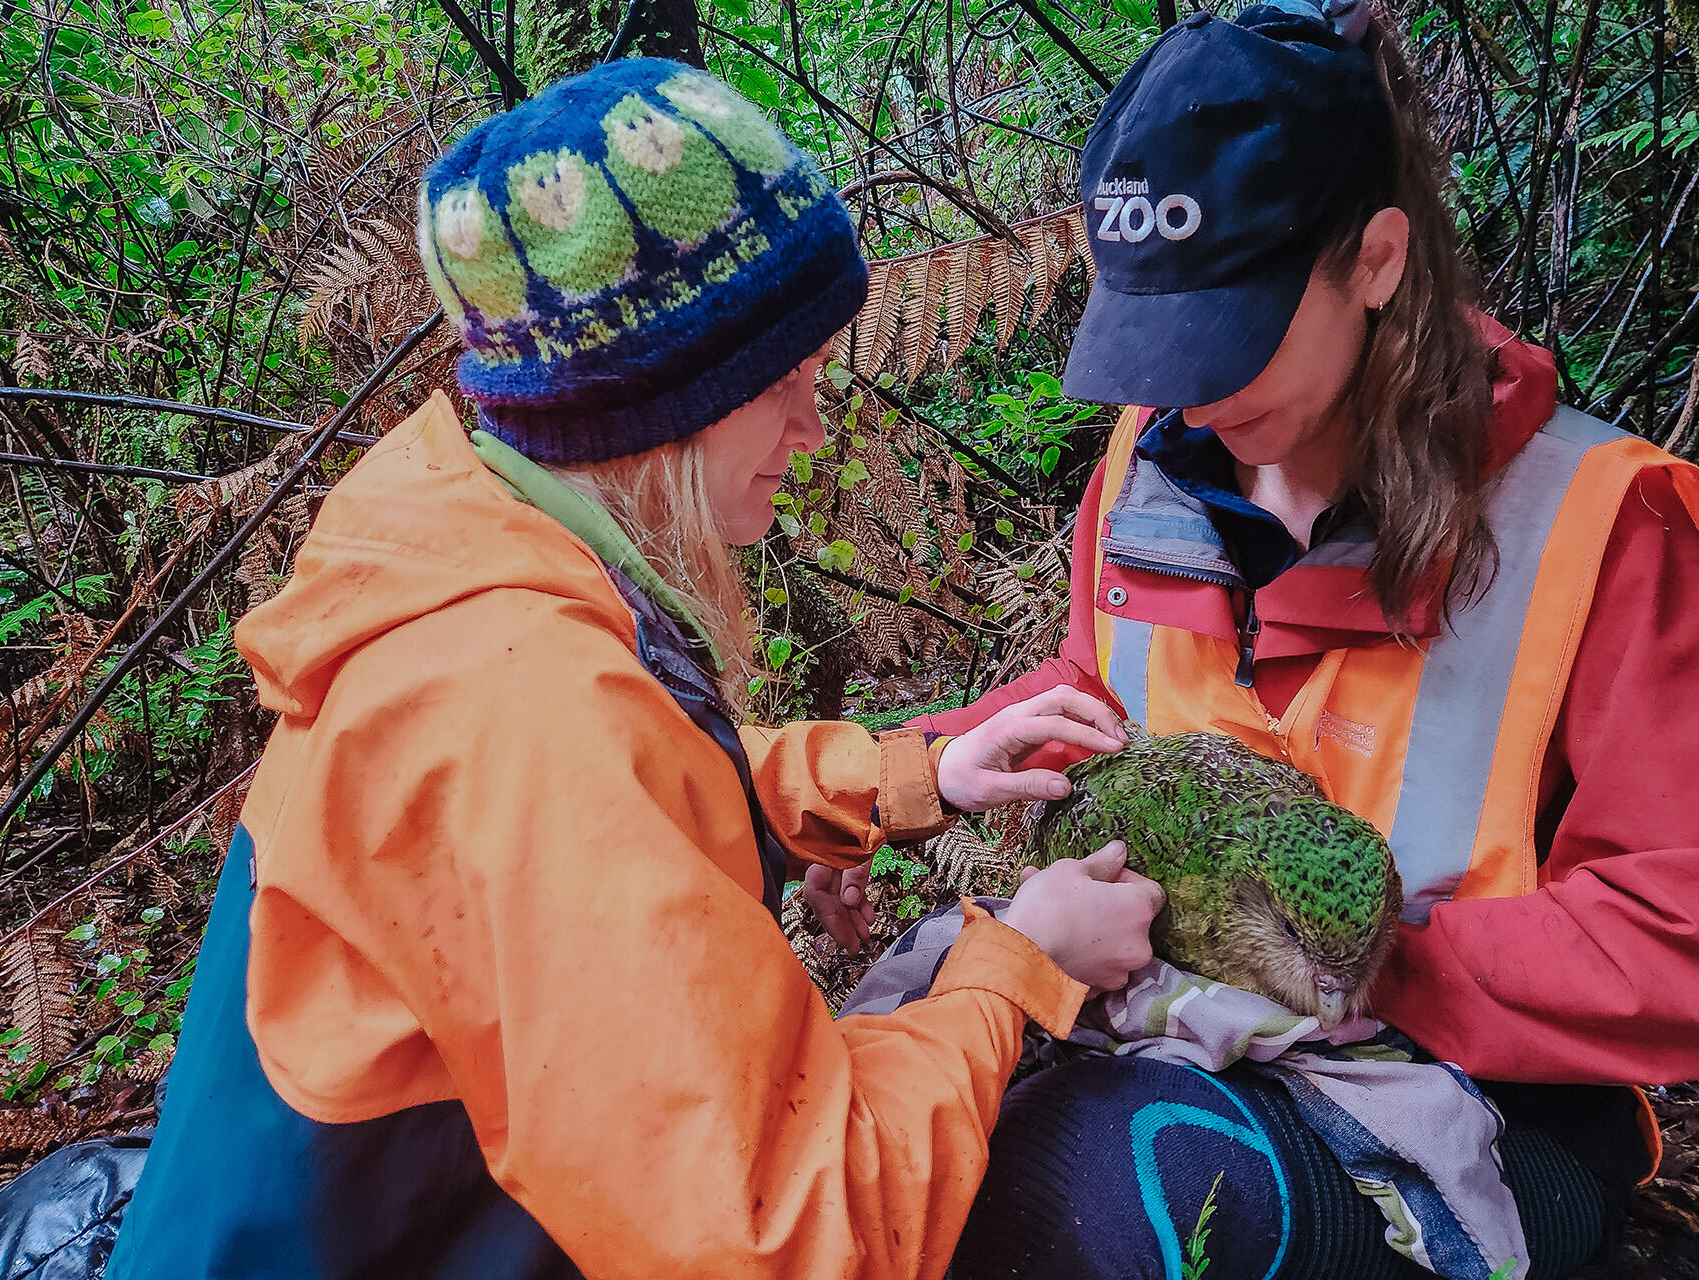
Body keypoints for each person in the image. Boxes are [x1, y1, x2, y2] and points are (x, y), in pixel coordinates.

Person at [100, 59, 1168, 1280]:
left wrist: (902, 776)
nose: (814, 430)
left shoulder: (472, 562)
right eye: (780, 385)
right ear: (650, 408)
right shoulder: (525, 714)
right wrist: (1020, 964)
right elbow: (794, 1236)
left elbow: (632, 800)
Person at [804, 5, 1699, 1277]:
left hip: (1473, 1088)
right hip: (1174, 1025)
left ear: (1378, 258)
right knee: (890, 1109)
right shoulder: (1151, 465)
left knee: (1109, 1186)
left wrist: (1339, 953)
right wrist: (910, 779)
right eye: (1164, 337)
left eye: (1234, 329)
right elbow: (1097, 687)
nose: (1197, 390)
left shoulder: (1591, 529)